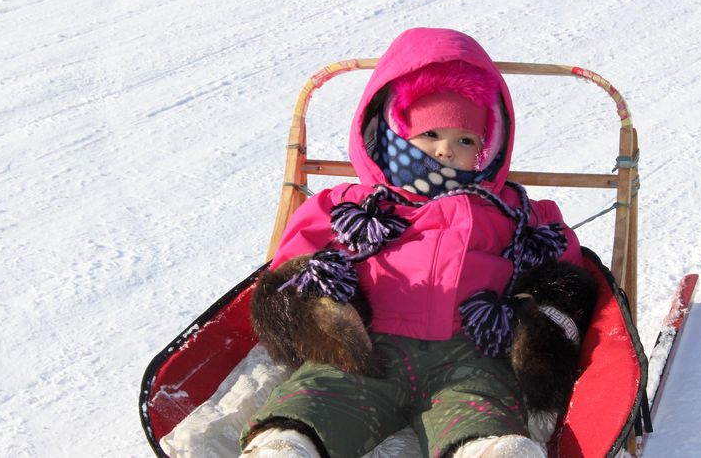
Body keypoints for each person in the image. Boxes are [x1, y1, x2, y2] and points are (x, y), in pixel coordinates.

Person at [240, 27, 592, 458]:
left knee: (483, 402)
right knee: (319, 393)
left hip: (467, 353)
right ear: (391, 136)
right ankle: (288, 445)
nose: (446, 151)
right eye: (430, 135)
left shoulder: (510, 210)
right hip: (366, 350)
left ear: (488, 147)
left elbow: (561, 263)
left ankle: (487, 449)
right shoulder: (351, 206)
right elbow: (293, 261)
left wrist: (544, 312)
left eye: (465, 140)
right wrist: (312, 295)